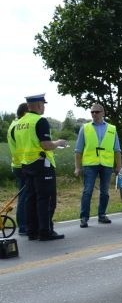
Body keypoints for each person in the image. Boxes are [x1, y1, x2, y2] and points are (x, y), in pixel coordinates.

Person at [12, 93, 67, 241]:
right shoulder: (40, 121)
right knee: (46, 199)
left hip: (26, 164)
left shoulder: (19, 123)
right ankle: (45, 231)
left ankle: (32, 231)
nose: (44, 107)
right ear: (38, 105)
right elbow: (46, 145)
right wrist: (58, 142)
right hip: (42, 163)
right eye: (43, 104)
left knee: (31, 198)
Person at [74, 103, 122, 227]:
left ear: (103, 113)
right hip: (90, 164)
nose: (94, 114)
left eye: (97, 112)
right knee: (87, 191)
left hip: (106, 164)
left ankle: (102, 215)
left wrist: (118, 166)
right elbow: (78, 150)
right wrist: (77, 167)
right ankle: (84, 217)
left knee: (105, 192)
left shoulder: (112, 129)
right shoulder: (85, 128)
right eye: (92, 112)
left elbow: (117, 149)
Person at [7, 102, 30, 235]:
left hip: (18, 164)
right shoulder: (19, 126)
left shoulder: (14, 125)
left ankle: (25, 224)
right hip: (22, 164)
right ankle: (23, 226)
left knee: (24, 195)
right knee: (25, 196)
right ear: (26, 112)